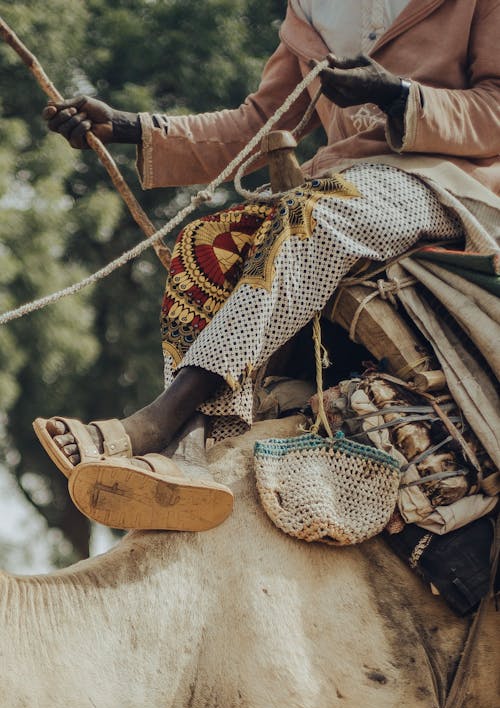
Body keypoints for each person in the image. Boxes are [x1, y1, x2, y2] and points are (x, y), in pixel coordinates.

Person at [37, 0, 500, 531]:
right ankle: (190, 453)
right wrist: (130, 126)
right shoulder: (312, 10)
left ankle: (162, 418)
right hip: (344, 183)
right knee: (205, 240)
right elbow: (260, 121)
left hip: (451, 187)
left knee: (315, 212)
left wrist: (398, 98)